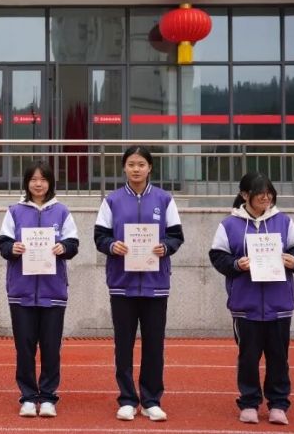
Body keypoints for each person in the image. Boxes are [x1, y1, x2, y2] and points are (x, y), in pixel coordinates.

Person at [209, 172, 294, 426]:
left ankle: (278, 405)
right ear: (245, 195)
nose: (266, 197)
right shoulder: (229, 225)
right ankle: (249, 403)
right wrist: (236, 264)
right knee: (248, 358)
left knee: (279, 357)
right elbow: (218, 257)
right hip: (245, 305)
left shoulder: (283, 221)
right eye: (260, 193)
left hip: (279, 305)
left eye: (269, 193)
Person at [94, 145, 184, 422]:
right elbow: (100, 236)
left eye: (141, 164)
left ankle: (151, 400)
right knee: (123, 345)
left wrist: (165, 247)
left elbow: (176, 235)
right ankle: (127, 399)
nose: (136, 169)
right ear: (124, 167)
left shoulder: (164, 199)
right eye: (131, 164)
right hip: (122, 284)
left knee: (154, 345)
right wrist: (113, 246)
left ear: (150, 168)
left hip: (156, 284)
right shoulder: (112, 201)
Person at [0, 160, 79, 418]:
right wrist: (13, 248)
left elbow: (73, 244)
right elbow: (3, 244)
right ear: (26, 183)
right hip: (21, 291)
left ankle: (49, 397)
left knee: (51, 348)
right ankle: (28, 397)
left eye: (43, 179)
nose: (38, 184)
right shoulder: (14, 211)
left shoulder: (62, 211)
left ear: (50, 182)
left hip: (53, 291)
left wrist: (63, 247)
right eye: (33, 179)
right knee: (25, 348)